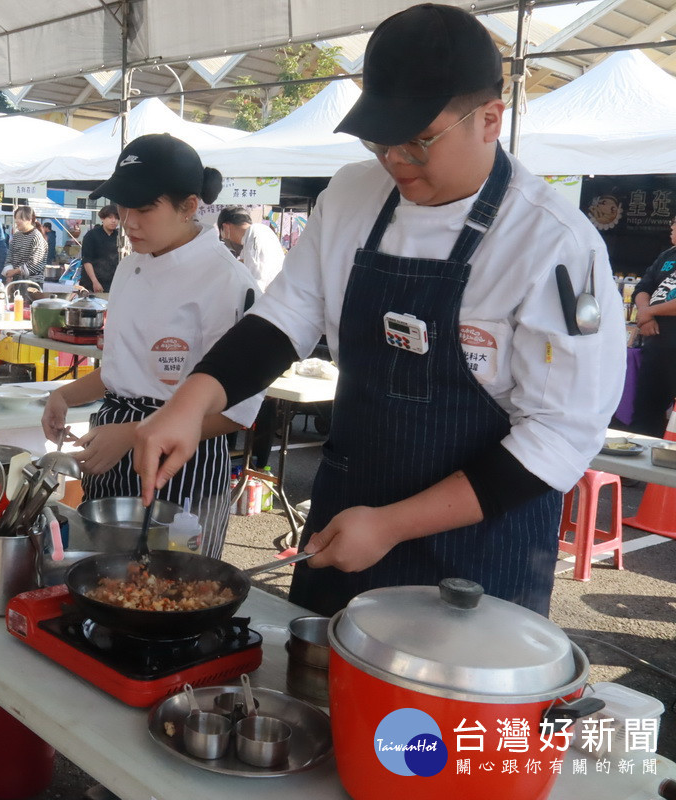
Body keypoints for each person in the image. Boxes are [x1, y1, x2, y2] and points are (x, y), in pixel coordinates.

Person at [132, 4, 626, 617]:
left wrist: (393, 525)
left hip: (476, 552)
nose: (395, 160)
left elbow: (560, 434)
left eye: (419, 141)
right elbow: (285, 317)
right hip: (346, 519)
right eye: (381, 140)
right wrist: (190, 402)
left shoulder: (552, 242)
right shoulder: (351, 194)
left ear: (490, 120)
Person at [41, 134, 263, 559]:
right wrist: (64, 395)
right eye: (123, 207)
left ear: (190, 206)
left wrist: (132, 434)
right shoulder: (131, 267)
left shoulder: (226, 281)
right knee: (99, 578)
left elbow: (238, 412)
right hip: (111, 447)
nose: (129, 221)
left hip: (181, 463)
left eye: (144, 209)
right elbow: (122, 369)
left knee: (172, 595)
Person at [629, 217, 676, 437]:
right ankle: (637, 468)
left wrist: (650, 312)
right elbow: (642, 287)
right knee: (646, 409)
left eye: (675, 224)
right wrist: (645, 315)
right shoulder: (667, 256)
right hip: (656, 345)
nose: (671, 228)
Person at [217, 206, 285, 291]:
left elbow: (256, 281)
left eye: (222, 236)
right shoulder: (259, 233)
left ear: (226, 228)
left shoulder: (254, 233)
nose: (225, 240)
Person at [1, 205, 47, 287]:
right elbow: (9, 256)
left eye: (20, 218)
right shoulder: (16, 236)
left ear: (29, 220)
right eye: (16, 218)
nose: (16, 221)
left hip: (32, 284)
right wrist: (8, 271)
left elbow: (35, 264)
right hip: (15, 282)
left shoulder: (36, 236)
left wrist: (15, 271)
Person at [79, 204, 121, 294]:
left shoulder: (119, 236)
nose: (114, 221)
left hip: (112, 283)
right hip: (91, 283)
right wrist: (95, 281)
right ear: (102, 218)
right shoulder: (91, 235)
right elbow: (86, 260)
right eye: (110, 217)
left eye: (117, 218)